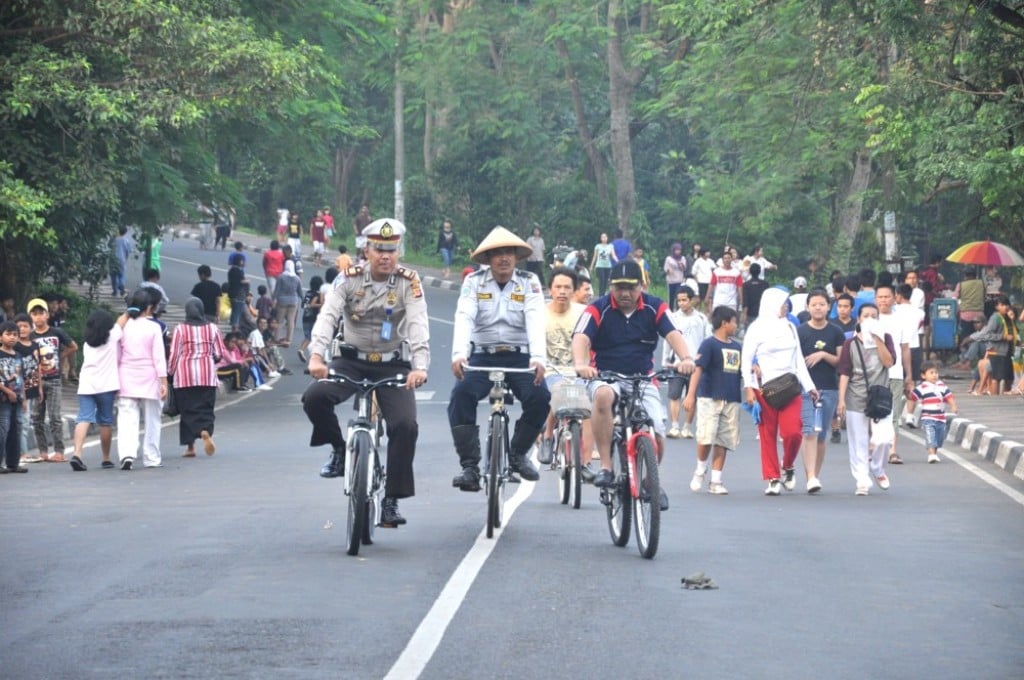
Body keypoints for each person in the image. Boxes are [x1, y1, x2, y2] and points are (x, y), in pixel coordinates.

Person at [303, 218, 429, 527]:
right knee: (313, 398)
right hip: (350, 360)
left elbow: (417, 324)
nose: (386, 256)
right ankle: (337, 449)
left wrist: (420, 366)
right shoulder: (347, 279)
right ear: (366, 250)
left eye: (392, 250)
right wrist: (317, 356)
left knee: (405, 425)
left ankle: (391, 500)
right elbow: (328, 317)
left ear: (398, 251)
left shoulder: (408, 282)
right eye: (379, 250)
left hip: (392, 363)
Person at [572, 260, 695, 511]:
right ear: (611, 287)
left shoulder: (655, 306)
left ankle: (651, 480)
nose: (626, 293)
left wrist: (686, 358)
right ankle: (606, 466)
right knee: (603, 396)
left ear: (642, 286)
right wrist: (580, 363)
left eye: (631, 287)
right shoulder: (598, 308)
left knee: (656, 431)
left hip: (643, 377)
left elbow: (673, 334)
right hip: (606, 374)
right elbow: (581, 337)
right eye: (620, 287)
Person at [450, 226, 549, 491]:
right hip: (482, 355)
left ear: (517, 256)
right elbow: (465, 316)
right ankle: (470, 466)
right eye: (497, 253)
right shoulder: (474, 282)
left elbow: (535, 318)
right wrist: (459, 353)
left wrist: (538, 358)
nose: (503, 258)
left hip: (521, 357)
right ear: (488, 258)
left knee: (540, 398)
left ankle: (517, 453)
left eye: (509, 253)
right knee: (460, 395)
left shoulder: (529, 282)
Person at [741, 287, 818, 496]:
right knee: (767, 435)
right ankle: (773, 478)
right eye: (783, 303)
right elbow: (746, 360)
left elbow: (798, 360)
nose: (786, 307)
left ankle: (788, 465)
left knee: (793, 432)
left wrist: (810, 386)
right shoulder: (756, 328)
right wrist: (749, 389)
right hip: (764, 389)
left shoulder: (790, 327)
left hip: (790, 387)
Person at [836, 303, 895, 495]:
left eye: (873, 316)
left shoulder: (886, 338)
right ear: (859, 319)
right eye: (866, 316)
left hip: (880, 396)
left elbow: (889, 362)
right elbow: (845, 372)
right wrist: (841, 399)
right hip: (856, 396)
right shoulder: (850, 344)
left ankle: (878, 468)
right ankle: (862, 479)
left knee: (884, 439)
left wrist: (877, 339)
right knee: (858, 440)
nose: (869, 319)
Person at [684, 306, 742, 495]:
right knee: (706, 436)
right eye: (734, 322)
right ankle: (700, 468)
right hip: (709, 397)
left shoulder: (737, 346)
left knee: (724, 440)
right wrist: (691, 395)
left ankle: (716, 480)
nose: (736, 325)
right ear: (724, 323)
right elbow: (698, 369)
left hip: (731, 398)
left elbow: (742, 371)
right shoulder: (708, 345)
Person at [537, 267, 590, 470]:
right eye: (558, 287)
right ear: (550, 289)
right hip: (550, 371)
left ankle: (585, 462)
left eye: (567, 287)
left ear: (574, 290)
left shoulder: (583, 313)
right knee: (558, 391)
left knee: (590, 407)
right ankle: (548, 435)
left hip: (578, 371)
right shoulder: (539, 313)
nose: (562, 291)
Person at [796, 290, 845, 493]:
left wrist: (824, 354)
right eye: (814, 304)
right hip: (805, 389)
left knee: (822, 434)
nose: (818, 307)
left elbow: (841, 363)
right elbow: (795, 361)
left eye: (822, 304)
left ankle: (815, 474)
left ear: (828, 307)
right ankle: (810, 476)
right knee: (808, 432)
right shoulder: (799, 331)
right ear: (807, 307)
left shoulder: (836, 332)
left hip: (829, 388)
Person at [169, 298, 229, 458]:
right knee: (206, 408)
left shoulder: (180, 329)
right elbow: (220, 353)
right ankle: (205, 431)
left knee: (187, 411)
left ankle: (190, 447)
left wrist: (170, 372)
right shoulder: (212, 328)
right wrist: (210, 359)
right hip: (207, 374)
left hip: (184, 376)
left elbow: (174, 354)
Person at [117, 290, 168, 470]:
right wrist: (164, 382)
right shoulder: (154, 327)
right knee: (152, 419)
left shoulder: (123, 326)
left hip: (126, 376)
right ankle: (151, 457)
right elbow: (159, 357)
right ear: (149, 308)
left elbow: (117, 353)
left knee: (127, 418)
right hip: (150, 377)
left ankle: (127, 454)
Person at [68, 310, 125, 471]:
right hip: (107, 385)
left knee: (84, 418)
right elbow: (122, 320)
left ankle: (77, 454)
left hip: (87, 384)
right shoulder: (112, 337)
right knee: (105, 421)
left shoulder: (87, 344)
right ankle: (106, 458)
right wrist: (131, 309)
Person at [28, 297, 77, 462]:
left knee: (55, 416)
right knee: (37, 417)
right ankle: (43, 450)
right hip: (35, 381)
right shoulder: (29, 336)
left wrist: (61, 355)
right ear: (31, 317)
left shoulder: (56, 333)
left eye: (41, 313)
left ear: (47, 315)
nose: (38, 317)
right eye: (34, 314)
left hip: (54, 379)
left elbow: (73, 346)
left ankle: (59, 451)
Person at [664, 286, 711, 439]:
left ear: (692, 300)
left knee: (693, 397)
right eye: (679, 301)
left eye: (684, 300)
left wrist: (706, 361)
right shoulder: (673, 317)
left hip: (696, 365)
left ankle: (687, 427)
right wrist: (666, 360)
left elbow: (707, 340)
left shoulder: (701, 319)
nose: (681, 303)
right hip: (677, 363)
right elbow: (668, 340)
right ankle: (675, 426)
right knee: (674, 395)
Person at [874, 283, 914, 464]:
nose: (883, 300)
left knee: (894, 413)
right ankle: (874, 446)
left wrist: (909, 375)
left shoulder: (901, 321)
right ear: (875, 299)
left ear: (894, 298)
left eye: (887, 296)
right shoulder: (870, 320)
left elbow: (905, 349)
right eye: (880, 296)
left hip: (895, 373)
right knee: (873, 411)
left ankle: (892, 450)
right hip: (873, 374)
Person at [906, 362, 958, 464]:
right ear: (923, 376)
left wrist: (953, 405)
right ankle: (931, 454)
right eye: (931, 373)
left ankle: (934, 452)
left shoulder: (942, 385)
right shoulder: (922, 387)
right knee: (930, 435)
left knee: (939, 437)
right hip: (928, 417)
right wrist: (909, 391)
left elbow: (948, 396)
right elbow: (913, 398)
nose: (934, 375)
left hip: (940, 418)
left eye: (936, 372)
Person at [0, 321, 26, 474]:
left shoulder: (18, 356)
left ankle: (13, 463)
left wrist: (23, 397)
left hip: (17, 399)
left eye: (15, 335)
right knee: (3, 430)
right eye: (8, 334)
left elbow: (20, 379)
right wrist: (7, 392)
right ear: (1, 337)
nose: (12, 337)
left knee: (16, 430)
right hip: (3, 399)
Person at [273, 259, 302, 348]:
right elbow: (300, 291)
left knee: (280, 320)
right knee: (291, 321)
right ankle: (288, 339)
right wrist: (303, 299)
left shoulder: (281, 277)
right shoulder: (297, 278)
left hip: (282, 301)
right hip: (293, 301)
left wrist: (273, 299)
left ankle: (277, 338)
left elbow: (277, 290)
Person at [297, 275, 324, 363]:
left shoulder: (308, 293)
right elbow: (312, 304)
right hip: (313, 317)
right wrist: (321, 305)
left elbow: (303, 304)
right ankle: (302, 350)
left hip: (305, 317)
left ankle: (303, 350)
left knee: (308, 335)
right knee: (312, 336)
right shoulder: (317, 294)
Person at [742, 263, 769, 327]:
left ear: (750, 272)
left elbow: (745, 301)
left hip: (750, 313)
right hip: (762, 313)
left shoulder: (746, 285)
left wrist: (744, 314)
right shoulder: (765, 284)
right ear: (759, 272)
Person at [110, 226, 133, 297]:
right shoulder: (126, 240)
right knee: (121, 275)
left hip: (112, 259)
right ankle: (121, 287)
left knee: (113, 275)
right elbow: (128, 251)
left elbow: (109, 245)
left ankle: (115, 291)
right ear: (125, 232)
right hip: (121, 259)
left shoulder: (114, 239)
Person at [591, 232, 616, 296]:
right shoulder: (598, 246)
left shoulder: (610, 246)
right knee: (602, 280)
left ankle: (603, 294)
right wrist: (592, 266)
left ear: (607, 238)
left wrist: (618, 261)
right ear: (600, 238)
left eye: (605, 237)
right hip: (599, 266)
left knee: (606, 281)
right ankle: (601, 295)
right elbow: (595, 256)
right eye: (602, 237)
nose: (604, 238)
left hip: (608, 266)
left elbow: (613, 255)